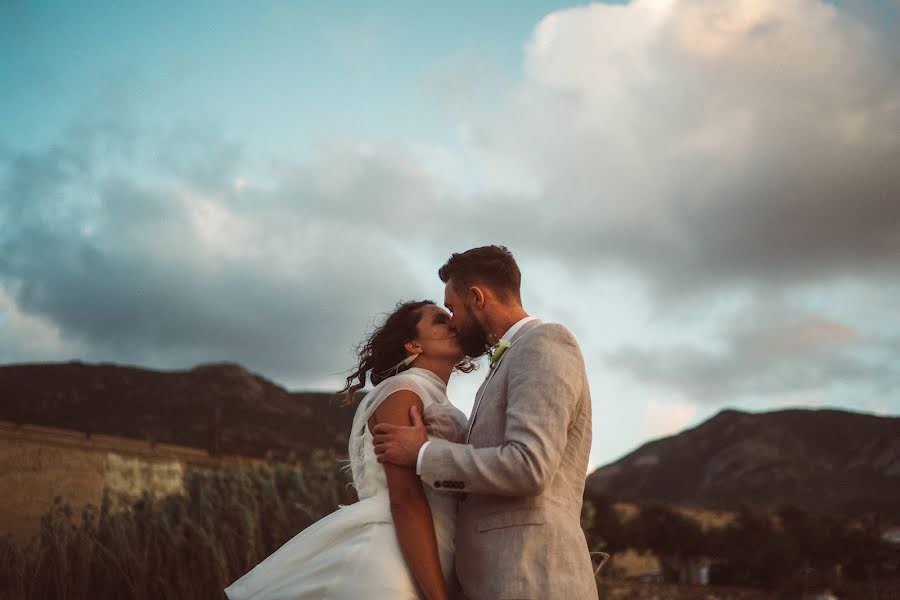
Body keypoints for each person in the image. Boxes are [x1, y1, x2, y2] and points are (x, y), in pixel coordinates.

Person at [373, 245, 596, 599]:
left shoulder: (544, 343)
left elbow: (529, 465)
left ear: (476, 298)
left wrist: (424, 453)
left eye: (453, 309)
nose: (453, 323)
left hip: (533, 579)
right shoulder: (505, 363)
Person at [224, 300, 471, 600]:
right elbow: (405, 498)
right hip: (392, 564)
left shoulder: (439, 399)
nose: (453, 324)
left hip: (438, 552)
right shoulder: (404, 391)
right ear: (413, 344)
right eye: (439, 320)